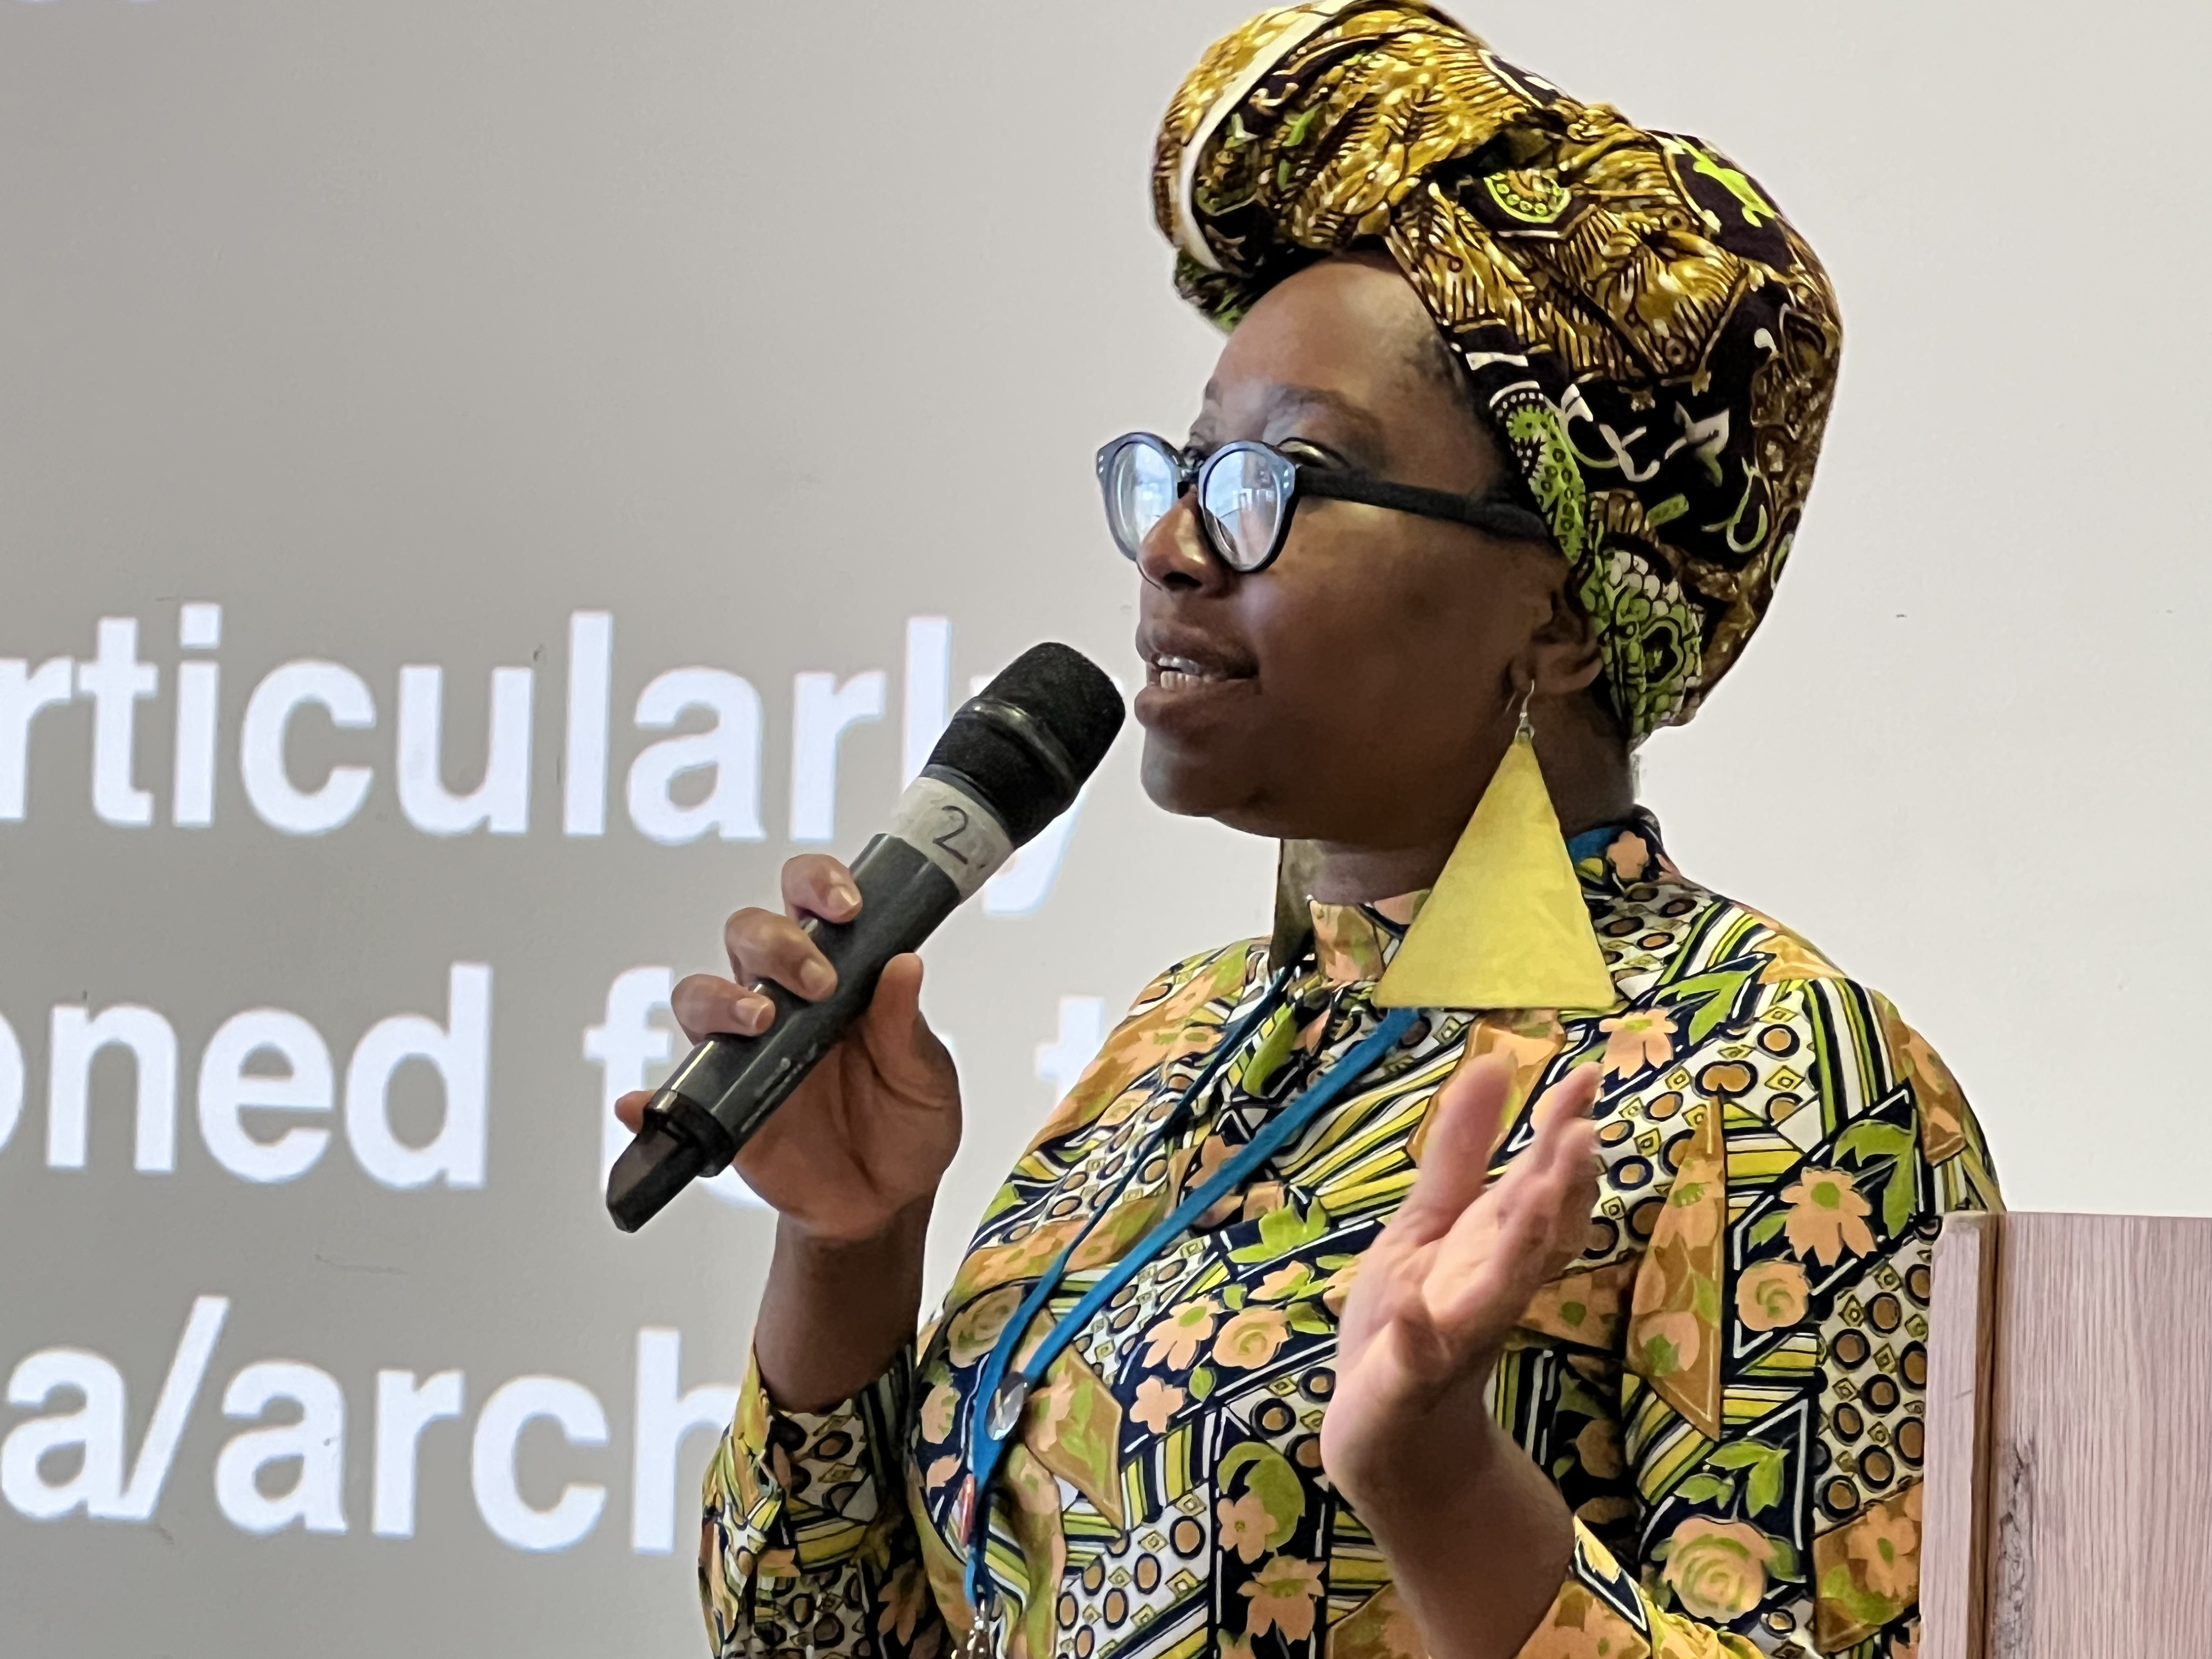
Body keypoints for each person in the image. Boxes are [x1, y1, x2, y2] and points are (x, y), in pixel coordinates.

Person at [616, 5, 2001, 1656]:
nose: (1181, 543)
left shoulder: (1778, 1084)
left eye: (1286, 478)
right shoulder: (1174, 1044)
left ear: (1557, 617)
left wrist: (1436, 1480)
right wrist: (850, 1245)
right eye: (1186, 465)